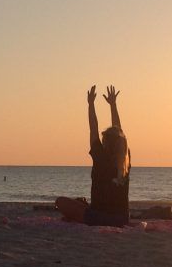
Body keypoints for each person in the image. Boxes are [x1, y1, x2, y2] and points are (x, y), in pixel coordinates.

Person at [55, 85, 131, 226]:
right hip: (122, 218)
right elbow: (119, 131)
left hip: (99, 216)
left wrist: (91, 104)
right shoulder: (125, 160)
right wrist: (113, 105)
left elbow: (93, 128)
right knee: (80, 204)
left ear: (106, 142)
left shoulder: (101, 158)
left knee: (61, 202)